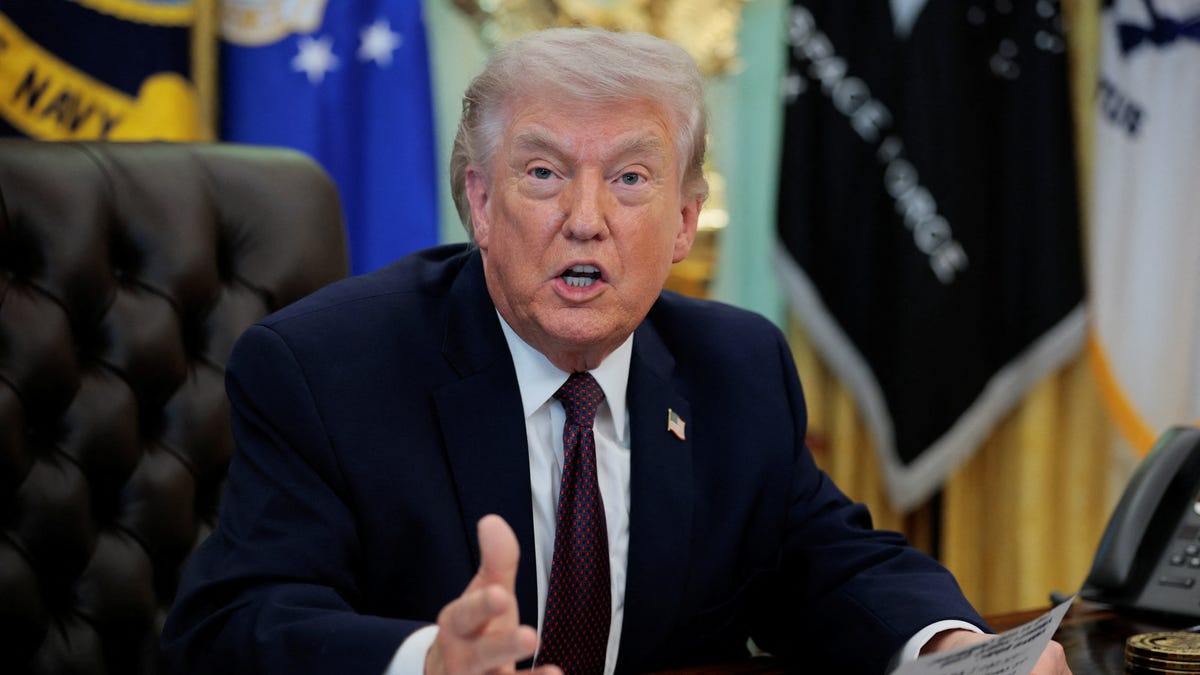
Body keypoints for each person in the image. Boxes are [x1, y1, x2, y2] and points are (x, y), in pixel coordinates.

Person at [161, 27, 1069, 675]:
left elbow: (827, 562)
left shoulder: (736, 367)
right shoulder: (326, 369)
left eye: (630, 179)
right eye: (544, 173)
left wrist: (951, 650)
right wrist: (425, 661)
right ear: (479, 202)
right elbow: (231, 623)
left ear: (681, 221)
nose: (586, 220)